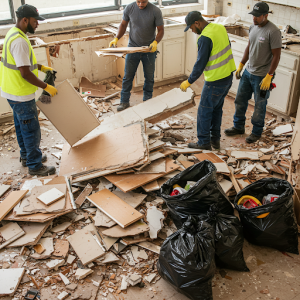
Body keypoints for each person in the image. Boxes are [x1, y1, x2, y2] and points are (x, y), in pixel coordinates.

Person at [0, 4, 58, 176]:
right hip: (21, 93)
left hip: (11, 91)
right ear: (25, 20)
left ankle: (26, 156)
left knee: (21, 126)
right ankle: (34, 165)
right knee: (31, 129)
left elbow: (21, 63)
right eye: (35, 21)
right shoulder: (19, 41)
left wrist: (40, 67)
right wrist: (46, 86)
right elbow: (25, 73)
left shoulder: (14, 33)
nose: (37, 24)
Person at [224, 2, 282, 143]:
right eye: (253, 15)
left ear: (265, 15)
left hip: (262, 76)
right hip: (248, 72)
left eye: (257, 16)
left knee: (259, 105)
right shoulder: (253, 27)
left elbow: (277, 56)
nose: (254, 18)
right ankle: (238, 126)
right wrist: (241, 65)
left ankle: (256, 132)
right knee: (240, 100)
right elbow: (249, 47)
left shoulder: (273, 31)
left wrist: (269, 75)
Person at [180, 11, 236, 150]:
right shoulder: (220, 28)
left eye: (192, 28)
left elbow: (200, 64)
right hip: (227, 77)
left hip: (215, 81)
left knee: (204, 112)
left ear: (197, 23)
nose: (192, 31)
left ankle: (204, 142)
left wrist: (189, 81)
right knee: (216, 110)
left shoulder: (204, 38)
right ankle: (215, 140)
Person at [109, 0, 164, 111]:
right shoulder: (129, 8)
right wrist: (116, 38)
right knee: (127, 77)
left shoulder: (155, 11)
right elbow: (123, 25)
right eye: (138, 1)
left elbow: (161, 30)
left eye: (143, 2)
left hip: (148, 50)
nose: (140, 4)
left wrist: (155, 42)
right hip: (133, 48)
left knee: (149, 77)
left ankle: (147, 101)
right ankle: (124, 102)